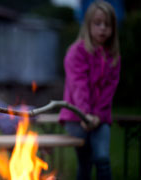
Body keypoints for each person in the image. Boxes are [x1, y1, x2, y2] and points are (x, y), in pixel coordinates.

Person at [59, 1, 120, 180]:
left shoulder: (113, 55)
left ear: (113, 28)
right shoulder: (75, 52)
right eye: (98, 23)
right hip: (76, 117)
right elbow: (79, 86)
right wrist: (85, 114)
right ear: (88, 25)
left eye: (107, 25)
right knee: (85, 162)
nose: (103, 28)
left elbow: (110, 89)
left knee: (102, 159)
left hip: (100, 118)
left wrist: (98, 116)